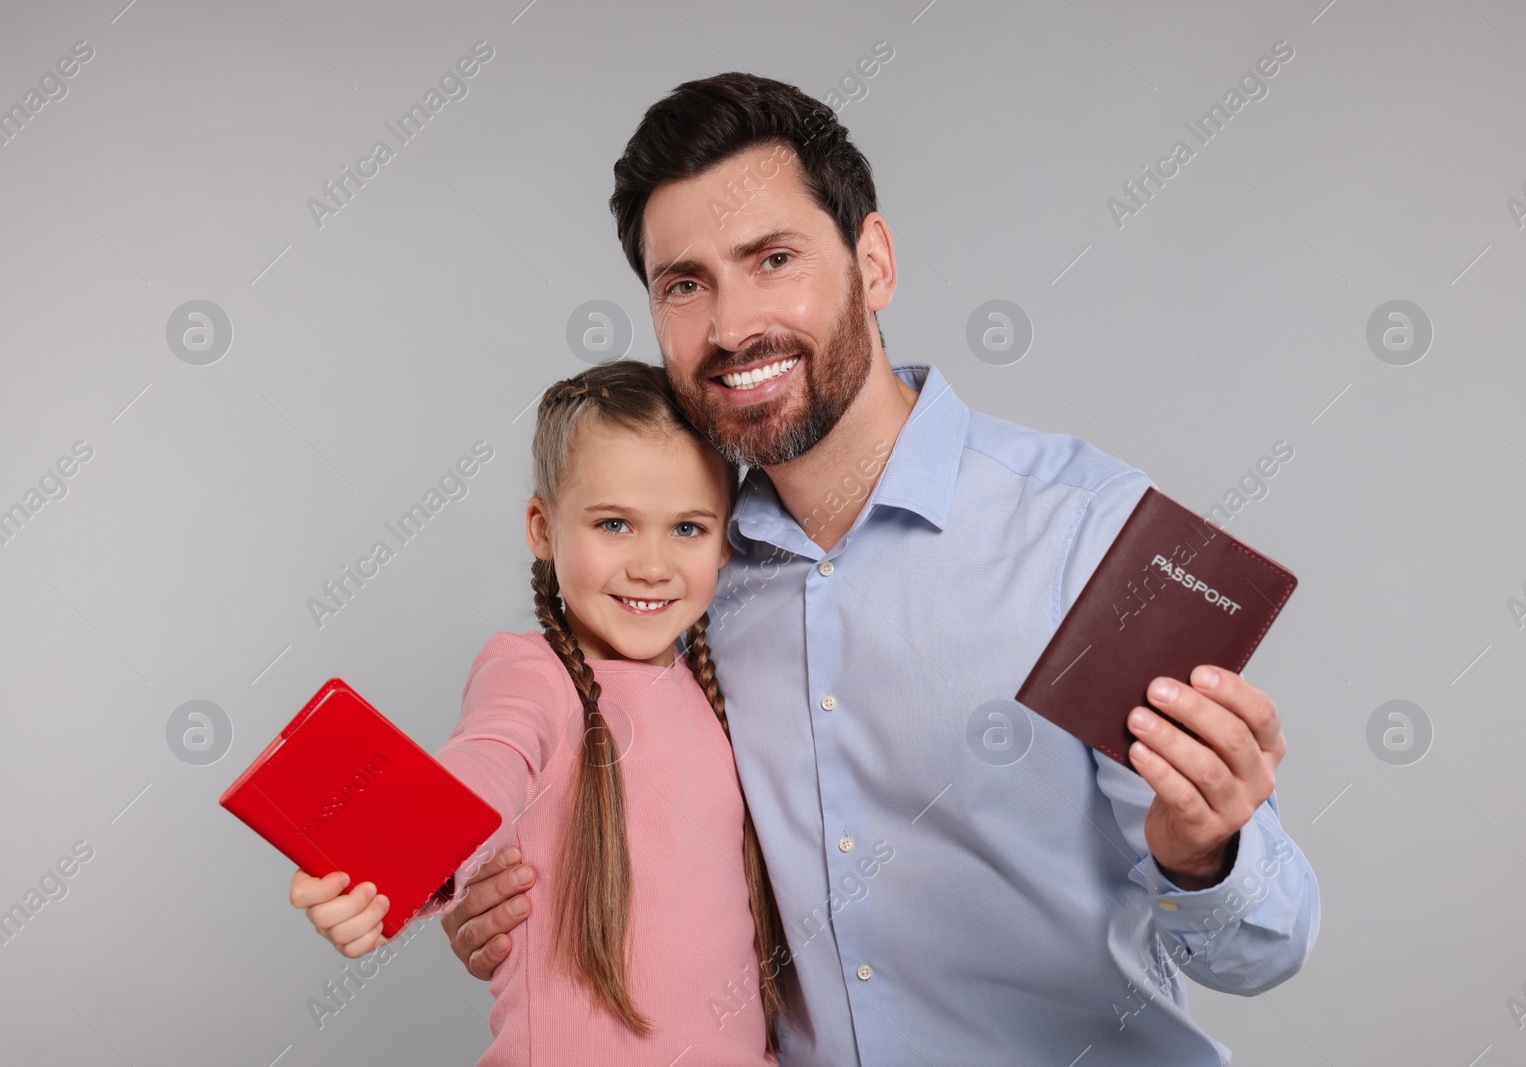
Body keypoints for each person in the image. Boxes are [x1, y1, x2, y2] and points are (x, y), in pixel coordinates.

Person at [450, 72, 1320, 1065]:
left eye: (772, 258)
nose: (731, 327)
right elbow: (639, 816)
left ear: (873, 262)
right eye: (684, 283)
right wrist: (520, 897)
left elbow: (1266, 944)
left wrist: (1204, 849)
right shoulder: (679, 585)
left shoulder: (1091, 533)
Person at [288, 360, 789, 1064]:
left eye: (687, 528)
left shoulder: (711, 693)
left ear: (726, 538)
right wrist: (400, 855)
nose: (652, 563)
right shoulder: (533, 673)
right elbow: (492, 755)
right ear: (542, 526)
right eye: (614, 523)